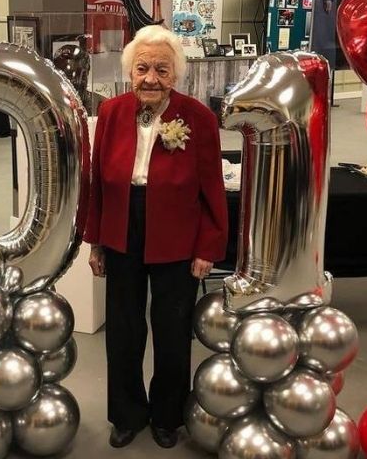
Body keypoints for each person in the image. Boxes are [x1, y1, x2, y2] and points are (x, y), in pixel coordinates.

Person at [84, 25, 228, 449]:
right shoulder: (111, 112)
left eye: (161, 70)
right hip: (122, 224)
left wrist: (207, 247)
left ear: (176, 74)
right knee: (124, 329)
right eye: (142, 68)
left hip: (176, 232)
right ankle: (127, 413)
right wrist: (95, 241)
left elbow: (212, 189)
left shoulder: (198, 117)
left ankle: (167, 415)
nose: (151, 78)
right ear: (129, 71)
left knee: (171, 329)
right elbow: (97, 180)